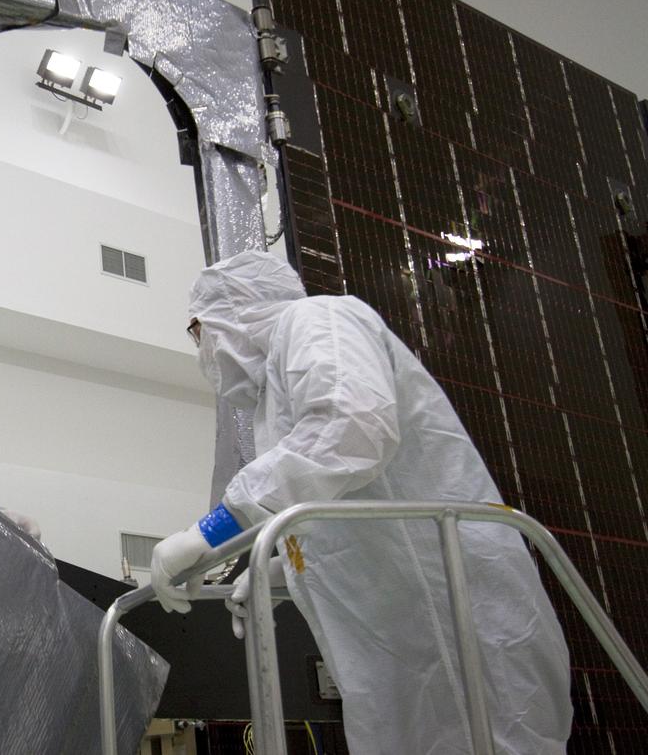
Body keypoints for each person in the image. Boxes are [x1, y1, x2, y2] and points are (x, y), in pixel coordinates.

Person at [149, 250, 572, 755]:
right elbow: (334, 498)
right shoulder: (274, 393)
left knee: (492, 735)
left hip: (452, 604)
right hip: (403, 631)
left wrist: (212, 532)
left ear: (236, 308)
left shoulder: (318, 320)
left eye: (200, 332)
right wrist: (283, 567)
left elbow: (350, 430)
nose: (203, 353)